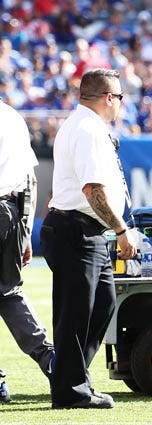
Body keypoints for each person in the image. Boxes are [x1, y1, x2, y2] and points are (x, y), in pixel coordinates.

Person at [41, 68, 136, 409]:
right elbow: (93, 190)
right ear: (109, 98)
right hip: (75, 228)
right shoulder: (88, 129)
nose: (121, 105)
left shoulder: (84, 125)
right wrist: (122, 230)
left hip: (84, 229)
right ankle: (70, 390)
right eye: (120, 97)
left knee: (102, 305)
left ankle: (71, 375)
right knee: (77, 314)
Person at [0, 97, 55, 402]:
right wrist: (26, 232)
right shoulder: (12, 117)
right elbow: (30, 180)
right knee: (9, 293)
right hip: (11, 211)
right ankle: (52, 361)